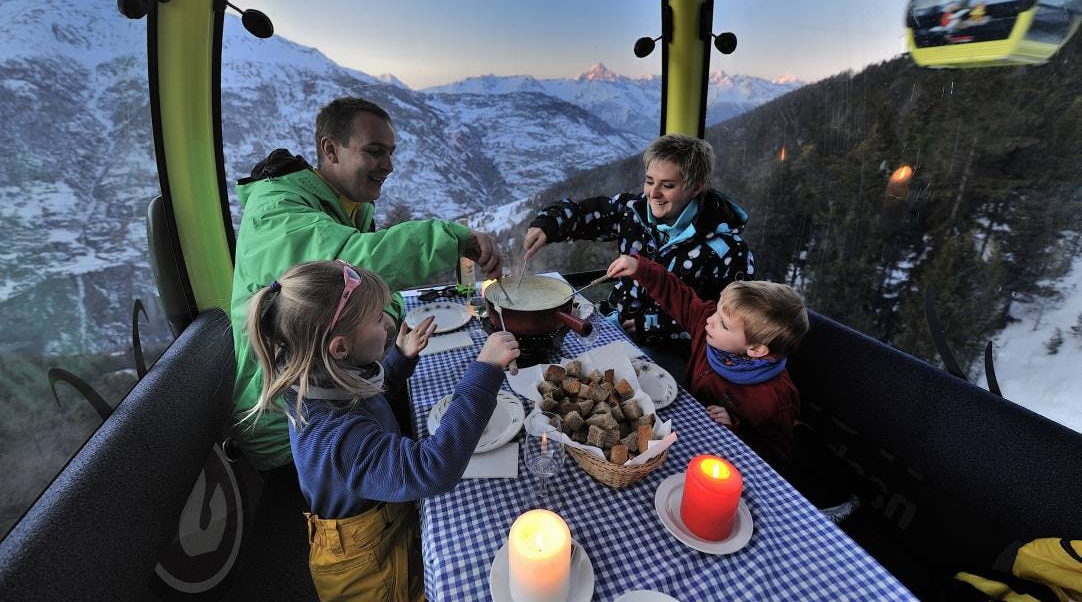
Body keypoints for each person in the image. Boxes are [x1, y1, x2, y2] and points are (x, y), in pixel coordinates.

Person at [231, 96, 502, 470]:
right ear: (330, 149)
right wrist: (456, 239)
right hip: (290, 426)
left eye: (391, 153)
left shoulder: (346, 205)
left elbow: (365, 290)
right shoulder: (277, 212)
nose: (388, 166)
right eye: (375, 152)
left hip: (342, 390)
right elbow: (355, 262)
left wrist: (387, 320)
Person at [245, 259, 519, 602]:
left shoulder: (321, 377)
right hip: (367, 567)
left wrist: (399, 360)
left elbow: (362, 395)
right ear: (340, 347)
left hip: (385, 525)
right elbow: (432, 468)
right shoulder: (338, 437)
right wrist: (484, 373)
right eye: (377, 318)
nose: (389, 324)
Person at [522, 134, 753, 381]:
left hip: (673, 350)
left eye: (668, 185)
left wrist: (654, 325)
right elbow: (586, 214)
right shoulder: (633, 212)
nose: (653, 193)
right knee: (560, 368)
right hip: (616, 324)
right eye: (649, 181)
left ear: (696, 187)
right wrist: (549, 224)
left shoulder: (727, 250)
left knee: (629, 391)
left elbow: (731, 323)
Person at [605, 253, 808, 473]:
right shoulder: (709, 326)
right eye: (717, 310)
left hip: (720, 461)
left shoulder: (775, 398)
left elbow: (777, 459)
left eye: (723, 324)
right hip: (683, 428)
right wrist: (640, 268)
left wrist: (734, 427)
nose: (710, 319)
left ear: (756, 349)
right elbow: (679, 295)